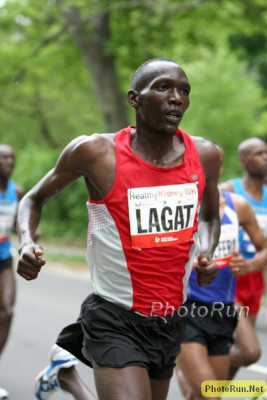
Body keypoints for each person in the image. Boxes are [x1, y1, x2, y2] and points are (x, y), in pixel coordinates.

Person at [16, 57, 220, 400]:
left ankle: (68, 378)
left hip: (170, 318)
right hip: (114, 316)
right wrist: (25, 243)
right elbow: (33, 200)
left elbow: (210, 217)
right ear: (134, 98)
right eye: (163, 87)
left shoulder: (205, 155)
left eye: (184, 91)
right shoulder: (96, 153)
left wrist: (207, 253)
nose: (177, 98)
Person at [175, 144, 267, 400]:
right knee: (210, 395)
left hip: (224, 307)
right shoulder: (178, 206)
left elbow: (263, 248)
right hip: (187, 308)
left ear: (221, 167)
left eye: (212, 163)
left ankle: (186, 373)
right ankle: (183, 370)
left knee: (206, 394)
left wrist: (250, 265)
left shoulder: (239, 206)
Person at [219, 137, 267, 379]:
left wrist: (253, 264)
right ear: (244, 161)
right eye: (259, 153)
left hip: (255, 279)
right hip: (230, 279)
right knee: (249, 351)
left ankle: (209, 392)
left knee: (236, 353)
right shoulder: (229, 191)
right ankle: (197, 361)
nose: (266, 157)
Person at [0, 144, 24, 399]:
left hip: (4, 258)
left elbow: (18, 224)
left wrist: (29, 233)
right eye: (3, 157)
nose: (9, 161)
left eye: (11, 157)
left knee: (6, 311)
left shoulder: (16, 191)